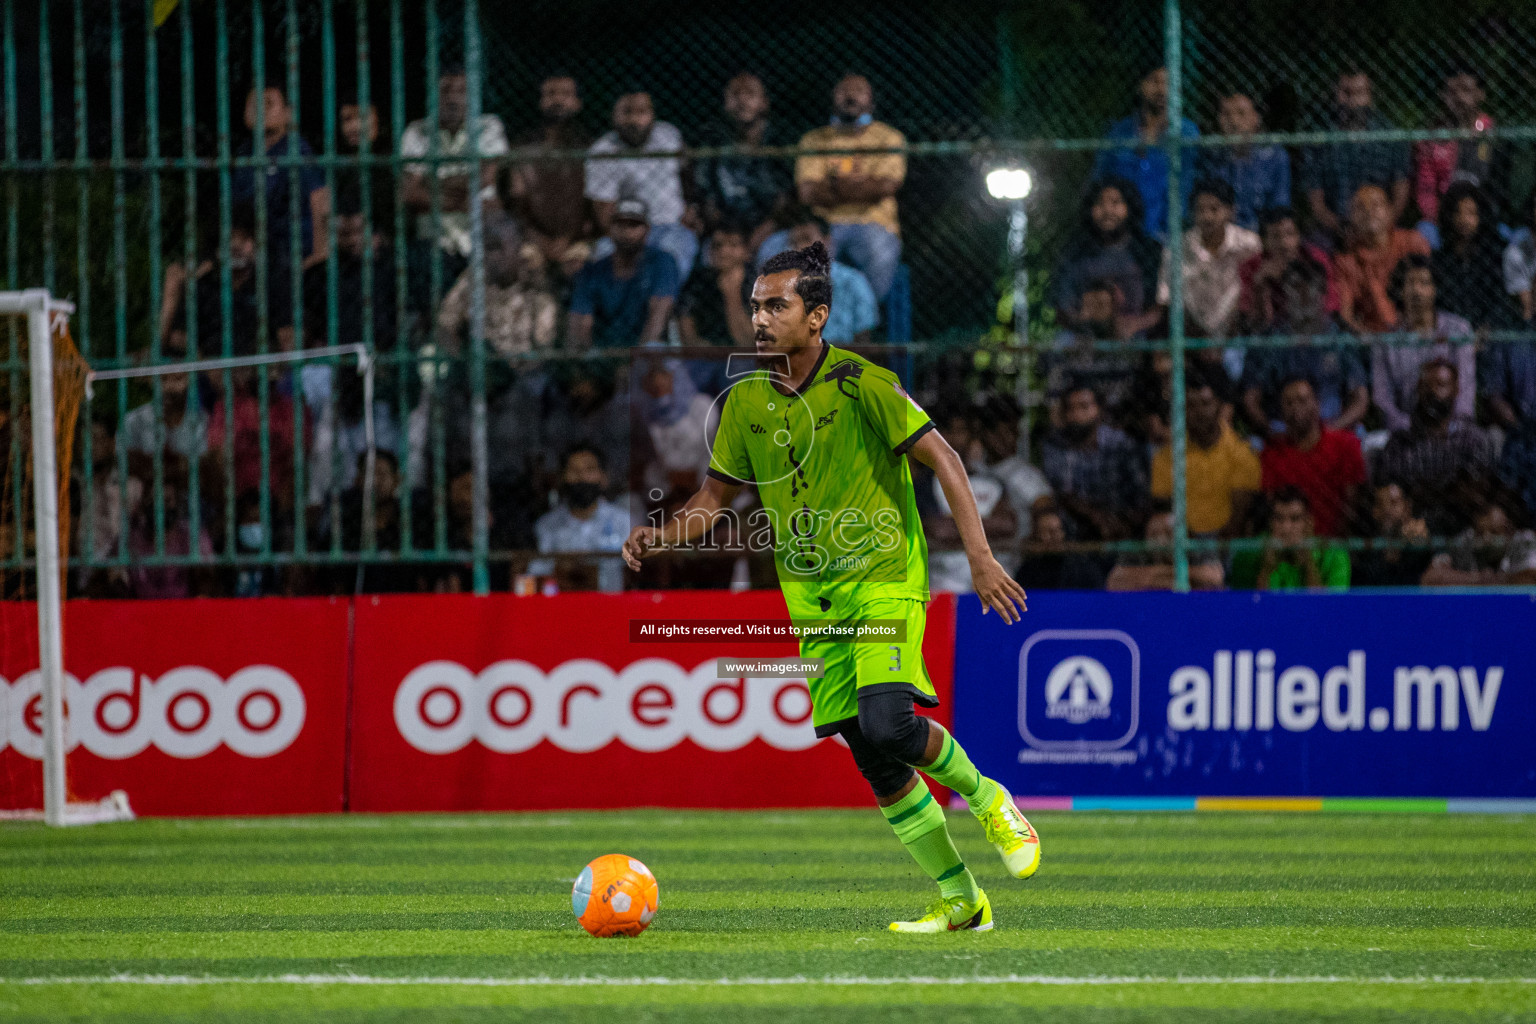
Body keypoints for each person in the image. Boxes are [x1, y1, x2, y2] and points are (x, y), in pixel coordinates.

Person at [622, 241, 1039, 933]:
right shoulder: (746, 402)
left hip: (882, 581)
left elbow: (945, 459)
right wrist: (659, 535)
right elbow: (713, 500)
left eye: (775, 306)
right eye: (755, 306)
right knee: (872, 755)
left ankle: (989, 797)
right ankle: (963, 901)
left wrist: (981, 557)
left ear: (815, 316)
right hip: (815, 603)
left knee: (887, 722)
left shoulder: (864, 383)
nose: (759, 319)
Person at [774, 74, 905, 301]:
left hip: (873, 222)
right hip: (823, 224)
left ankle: (863, 322)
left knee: (878, 252)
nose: (851, 96)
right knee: (782, 253)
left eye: (859, 91)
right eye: (844, 91)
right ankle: (809, 322)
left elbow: (886, 186)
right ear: (832, 98)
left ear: (872, 101)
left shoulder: (889, 138)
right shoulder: (814, 140)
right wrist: (862, 187)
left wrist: (833, 186)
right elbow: (807, 193)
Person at [400, 65, 509, 299]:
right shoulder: (416, 131)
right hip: (433, 241)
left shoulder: (488, 126)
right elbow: (409, 194)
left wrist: (431, 183)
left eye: (461, 90)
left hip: (479, 238)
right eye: (445, 90)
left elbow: (486, 177)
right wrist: (466, 198)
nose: (452, 97)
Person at [1240, 256, 1369, 435]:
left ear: (1323, 291)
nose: (1303, 294)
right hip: (1282, 429)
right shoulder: (1269, 341)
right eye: (1295, 287)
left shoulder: (1341, 340)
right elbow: (1251, 398)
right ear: (1284, 292)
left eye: (1311, 286)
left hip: (1334, 429)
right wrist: (1273, 431)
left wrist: (1327, 433)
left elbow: (1360, 399)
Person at [585, 89, 698, 280]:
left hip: (670, 225)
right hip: (626, 229)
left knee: (676, 252)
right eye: (627, 112)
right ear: (614, 115)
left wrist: (691, 207)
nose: (634, 121)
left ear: (652, 114)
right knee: (603, 255)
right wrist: (629, 236)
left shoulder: (669, 136)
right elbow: (604, 214)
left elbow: (687, 175)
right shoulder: (602, 151)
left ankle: (665, 305)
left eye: (642, 112)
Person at [1376, 359, 1496, 529]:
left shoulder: (1473, 439)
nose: (1432, 392)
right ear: (1418, 389)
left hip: (1463, 527)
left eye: (1441, 385)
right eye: (1427, 386)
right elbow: (1389, 491)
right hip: (1410, 527)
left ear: (1456, 390)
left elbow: (1473, 495)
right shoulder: (1400, 443)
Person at [1301, 69, 1410, 246]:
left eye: (1359, 93)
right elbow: (1316, 203)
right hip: (1336, 226)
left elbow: (1400, 192)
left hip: (1382, 223)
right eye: (1346, 93)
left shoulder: (1390, 136)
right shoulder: (1319, 141)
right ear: (1335, 94)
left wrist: (1382, 224)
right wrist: (1339, 227)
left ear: (1370, 96)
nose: (1352, 101)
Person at [1092, 66, 1199, 239]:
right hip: (1121, 234)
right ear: (1141, 86)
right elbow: (1099, 179)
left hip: (1169, 234)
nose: (1161, 89)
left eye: (1168, 83)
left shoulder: (1187, 132)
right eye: (1154, 81)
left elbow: (1188, 186)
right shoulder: (1119, 132)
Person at [504, 74, 594, 280]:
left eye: (565, 94)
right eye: (551, 94)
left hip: (580, 238)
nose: (558, 100)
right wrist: (538, 239)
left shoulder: (591, 148)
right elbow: (518, 202)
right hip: (532, 237)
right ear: (540, 102)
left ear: (578, 103)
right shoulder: (522, 147)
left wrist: (569, 240)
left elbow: (595, 205)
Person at [1372, 255, 1475, 433]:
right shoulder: (1386, 341)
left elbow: (1465, 388)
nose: (1417, 290)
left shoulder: (1459, 330)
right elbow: (1383, 399)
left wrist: (1450, 426)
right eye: (1410, 283)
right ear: (1400, 290)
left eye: (1424, 283)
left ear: (1434, 289)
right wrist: (1410, 426)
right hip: (1405, 429)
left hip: (1451, 427)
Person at [435, 212, 559, 359]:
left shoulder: (535, 282)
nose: (493, 257)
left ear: (518, 246)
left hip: (526, 371)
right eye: (488, 248)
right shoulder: (473, 279)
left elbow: (544, 344)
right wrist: (464, 358)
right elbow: (444, 327)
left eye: (498, 248)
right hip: (481, 370)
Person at [231, 85, 329, 272]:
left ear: (288, 113)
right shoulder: (244, 154)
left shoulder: (297, 151)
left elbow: (320, 198)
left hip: (293, 251)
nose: (259, 109)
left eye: (268, 103)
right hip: (254, 252)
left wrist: (319, 254)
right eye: (253, 104)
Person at [692, 72, 793, 252]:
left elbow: (787, 197)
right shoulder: (712, 140)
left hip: (769, 230)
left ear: (763, 102)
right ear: (725, 102)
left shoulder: (779, 141)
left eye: (750, 94)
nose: (742, 100)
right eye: (735, 94)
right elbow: (706, 193)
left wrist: (765, 230)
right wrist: (724, 233)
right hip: (724, 229)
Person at [1152, 371, 1260, 538]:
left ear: (1218, 405)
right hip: (1183, 540)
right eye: (1192, 406)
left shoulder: (1242, 452)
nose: (1200, 412)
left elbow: (1240, 515)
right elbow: (1165, 508)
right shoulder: (1166, 457)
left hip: (1228, 541)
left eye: (1206, 403)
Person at [1052, 178, 1163, 338]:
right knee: (1063, 341)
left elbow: (1162, 306)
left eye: (1115, 202)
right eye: (1100, 203)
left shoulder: (1148, 250)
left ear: (1129, 207)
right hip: (1084, 333)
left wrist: (1135, 324)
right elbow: (1062, 307)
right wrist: (1080, 320)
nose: (1107, 210)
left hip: (1136, 332)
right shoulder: (1075, 251)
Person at [1156, 178, 1262, 345]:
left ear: (1231, 211)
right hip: (1191, 335)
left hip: (1239, 332)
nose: (1207, 217)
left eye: (1214, 209)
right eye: (1200, 210)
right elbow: (1167, 299)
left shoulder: (1249, 245)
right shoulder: (1177, 249)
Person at [1258, 376, 1366, 537]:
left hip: (1333, 543)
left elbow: (1352, 504)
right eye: (1289, 403)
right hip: (1288, 541)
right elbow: (1271, 505)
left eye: (1302, 400)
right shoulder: (1272, 452)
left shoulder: (1345, 445)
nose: (1295, 408)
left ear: (1317, 403)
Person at [1040, 383, 1147, 541]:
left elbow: (1140, 494)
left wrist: (1121, 521)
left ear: (1099, 409)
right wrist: (1095, 516)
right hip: (1073, 533)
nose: (1077, 414)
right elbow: (1061, 495)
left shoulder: (1121, 444)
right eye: (1071, 408)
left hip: (1121, 528)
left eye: (1084, 407)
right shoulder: (1056, 447)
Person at [568, 199, 679, 349]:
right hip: (603, 355)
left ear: (647, 230)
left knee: (654, 348)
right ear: (611, 228)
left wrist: (634, 364)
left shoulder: (661, 262)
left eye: (633, 225)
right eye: (620, 224)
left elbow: (657, 319)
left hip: (646, 355)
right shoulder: (593, 271)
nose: (627, 231)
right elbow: (579, 325)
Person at [532, 444, 632, 594]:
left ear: (603, 477)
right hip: (563, 607)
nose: (582, 477)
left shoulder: (623, 521)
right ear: (562, 477)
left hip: (614, 606)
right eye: (574, 471)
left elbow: (635, 572)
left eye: (590, 470)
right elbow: (537, 573)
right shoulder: (547, 525)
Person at [1334, 183, 1431, 335]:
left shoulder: (1412, 242)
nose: (1368, 211)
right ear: (1351, 217)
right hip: (1372, 337)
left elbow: (1431, 291)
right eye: (1360, 207)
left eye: (1376, 205)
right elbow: (1345, 315)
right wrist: (1372, 340)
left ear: (1389, 211)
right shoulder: (1346, 261)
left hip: (1417, 332)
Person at [1413, 68, 1502, 230]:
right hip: (1443, 218)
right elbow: (1426, 188)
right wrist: (1436, 219)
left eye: (1466, 91)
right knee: (1425, 230)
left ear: (1480, 94)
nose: (1459, 98)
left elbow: (1500, 184)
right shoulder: (1432, 138)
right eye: (1452, 92)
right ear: (1443, 95)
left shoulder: (1493, 133)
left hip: (1484, 216)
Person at [1043, 279, 1139, 426]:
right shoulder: (1068, 341)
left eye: (1101, 305)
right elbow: (1055, 389)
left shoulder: (1126, 343)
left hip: (1115, 415)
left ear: (1113, 308)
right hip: (1077, 411)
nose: (1095, 312)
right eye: (1090, 306)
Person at [1197, 92, 1290, 232]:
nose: (1234, 122)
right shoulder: (1211, 158)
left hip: (1262, 235)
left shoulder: (1274, 157)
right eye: (1226, 114)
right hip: (1220, 235)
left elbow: (1279, 207)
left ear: (1256, 118)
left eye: (1241, 114)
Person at [1238, 206, 1338, 334]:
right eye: (1275, 236)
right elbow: (1251, 323)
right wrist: (1259, 285)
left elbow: (1330, 307)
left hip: (1314, 332)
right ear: (1265, 241)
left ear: (1298, 236)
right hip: (1272, 338)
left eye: (1289, 234)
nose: (1283, 243)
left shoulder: (1317, 260)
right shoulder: (1252, 267)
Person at [1229, 487, 1350, 590]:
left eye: (1295, 519)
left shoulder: (1335, 555)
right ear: (1270, 522)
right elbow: (1253, 608)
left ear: (1309, 523)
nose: (1286, 528)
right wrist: (1266, 568)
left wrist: (1309, 564)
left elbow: (1327, 608)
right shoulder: (1248, 553)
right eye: (1279, 519)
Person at [786, 210, 879, 344]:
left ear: (826, 241)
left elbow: (863, 343)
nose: (799, 248)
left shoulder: (853, 282)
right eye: (794, 242)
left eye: (806, 239)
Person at [1430, 182, 1506, 329]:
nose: (1464, 220)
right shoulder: (1439, 260)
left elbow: (1499, 302)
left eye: (1471, 213)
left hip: (1488, 332)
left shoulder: (1494, 257)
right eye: (1458, 212)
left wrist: (1486, 328)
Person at [1421, 492, 1536, 587]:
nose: (1486, 538)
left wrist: (1499, 579)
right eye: (1481, 533)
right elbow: (1429, 578)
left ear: (1509, 533)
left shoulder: (1523, 540)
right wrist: (1478, 579)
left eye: (1494, 532)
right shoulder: (1467, 539)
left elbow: (1532, 577)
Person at [1105, 505, 1225, 591]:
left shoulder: (1194, 547)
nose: (1161, 541)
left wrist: (1159, 574)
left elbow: (1214, 578)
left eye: (1168, 534)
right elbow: (1114, 581)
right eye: (1154, 534)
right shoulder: (1139, 551)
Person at [678, 222, 756, 348]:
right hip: (706, 355)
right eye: (717, 245)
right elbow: (686, 329)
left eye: (733, 245)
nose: (723, 251)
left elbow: (749, 342)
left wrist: (731, 294)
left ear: (746, 251)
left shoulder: (759, 284)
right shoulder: (698, 280)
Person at [1352, 480, 1432, 588]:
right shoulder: (1365, 552)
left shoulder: (1420, 543)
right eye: (1381, 504)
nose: (1387, 510)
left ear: (1407, 507)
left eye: (1394, 502)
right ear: (1374, 511)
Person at [1012, 503, 1105, 591]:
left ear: (1064, 533)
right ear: (1037, 535)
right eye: (1044, 532)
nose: (1050, 537)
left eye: (1055, 531)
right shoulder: (1028, 571)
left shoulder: (1083, 568)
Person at [336, 86, 394, 226]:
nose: (355, 126)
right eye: (347, 119)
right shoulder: (337, 166)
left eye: (362, 117)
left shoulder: (393, 161)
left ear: (378, 119)